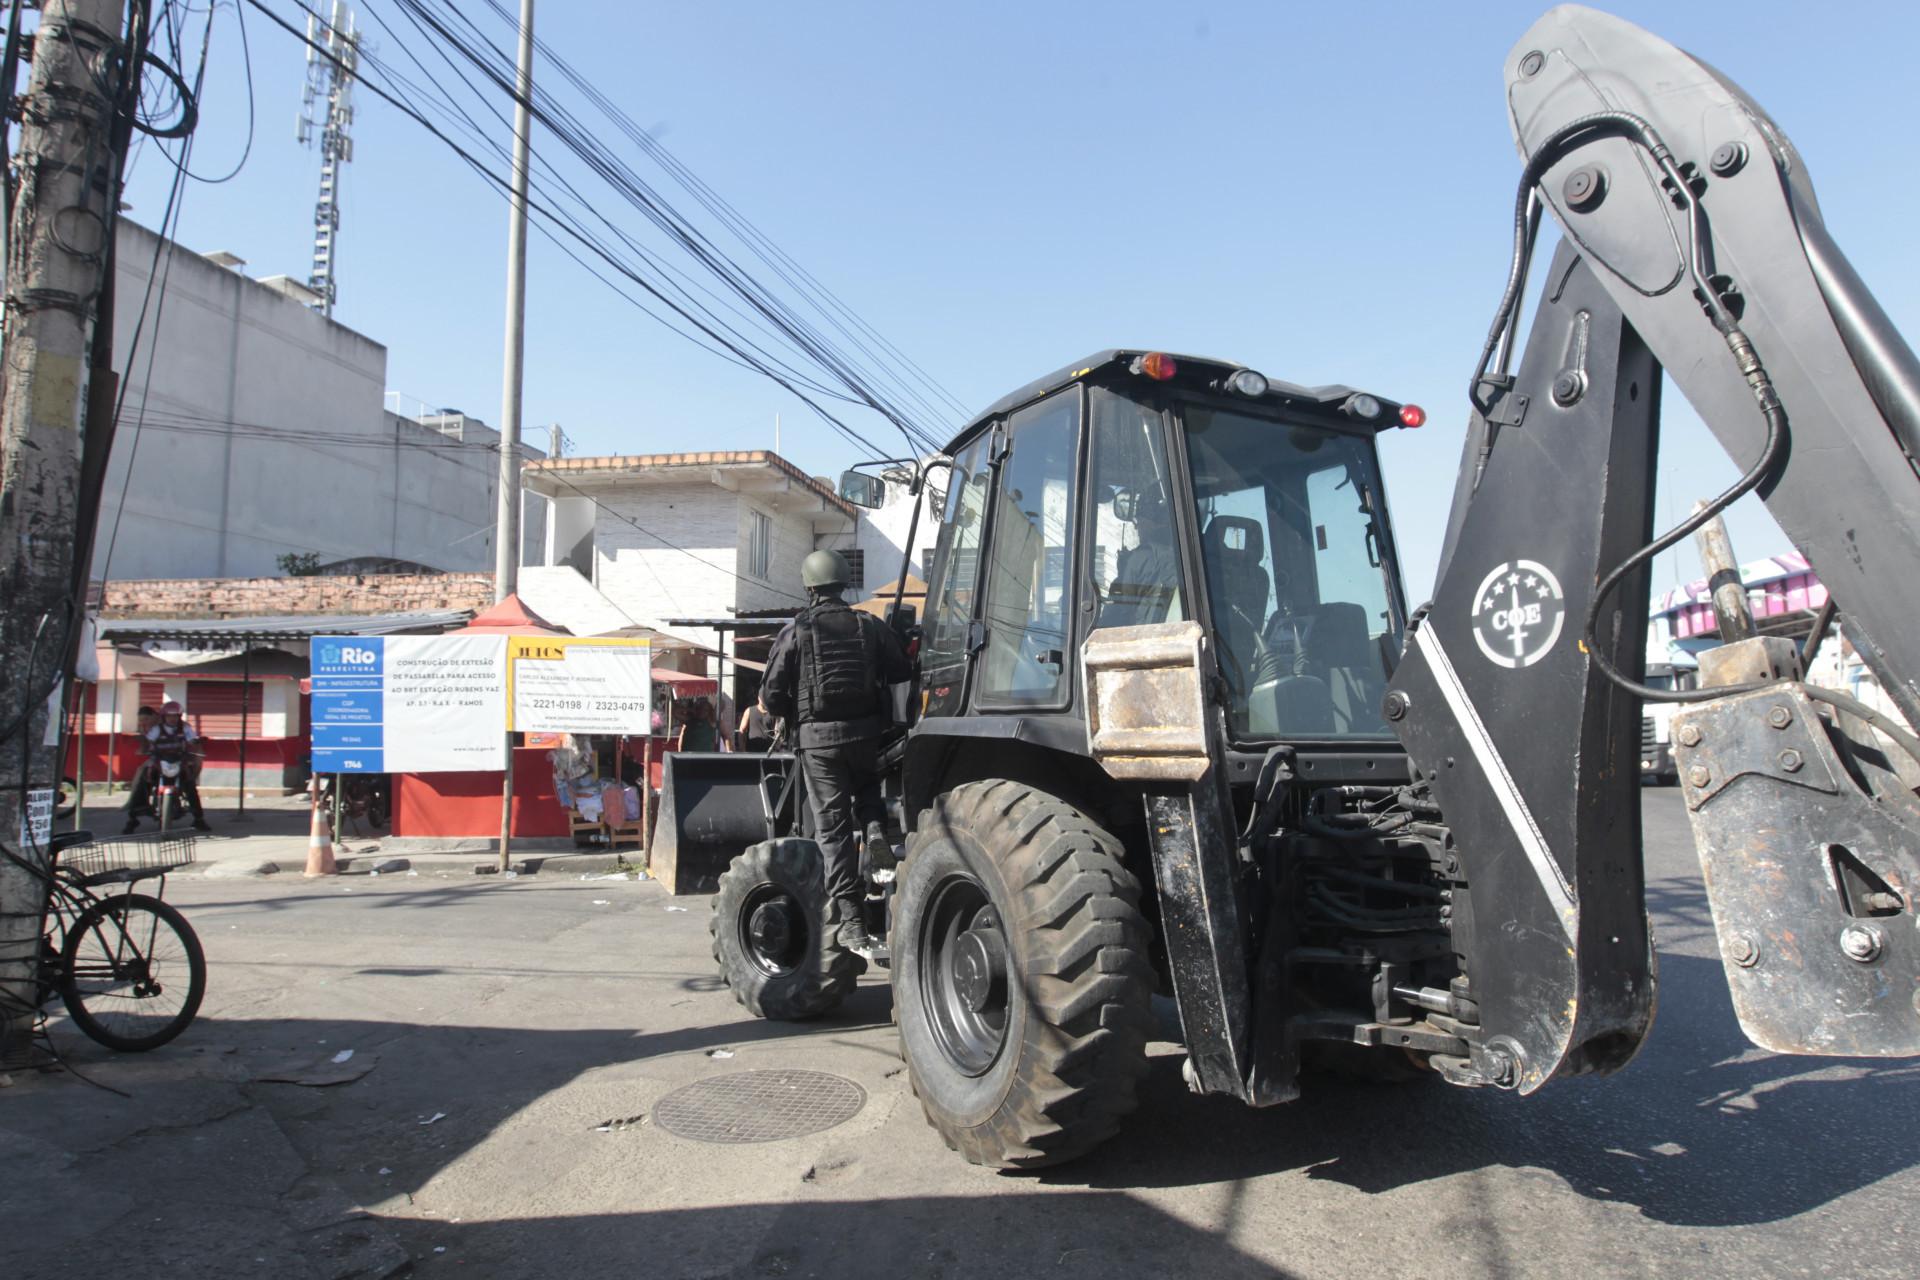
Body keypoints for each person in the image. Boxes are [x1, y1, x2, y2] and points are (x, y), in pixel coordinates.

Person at [760, 549, 913, 951]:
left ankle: (852, 921)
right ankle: (877, 828)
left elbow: (772, 696)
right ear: (844, 583)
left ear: (810, 587)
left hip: (819, 744)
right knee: (866, 790)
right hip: (865, 734)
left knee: (833, 828)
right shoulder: (870, 624)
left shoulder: (796, 630)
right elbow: (901, 670)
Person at [125, 701, 211, 832]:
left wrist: (197, 746)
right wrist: (143, 746)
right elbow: (149, 740)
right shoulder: (157, 729)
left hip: (179, 761)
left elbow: (192, 741)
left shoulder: (185, 728)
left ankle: (199, 818)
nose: (172, 719)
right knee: (144, 780)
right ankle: (133, 819)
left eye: (175, 716)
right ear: (164, 717)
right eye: (169, 716)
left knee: (189, 784)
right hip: (159, 761)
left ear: (179, 716)